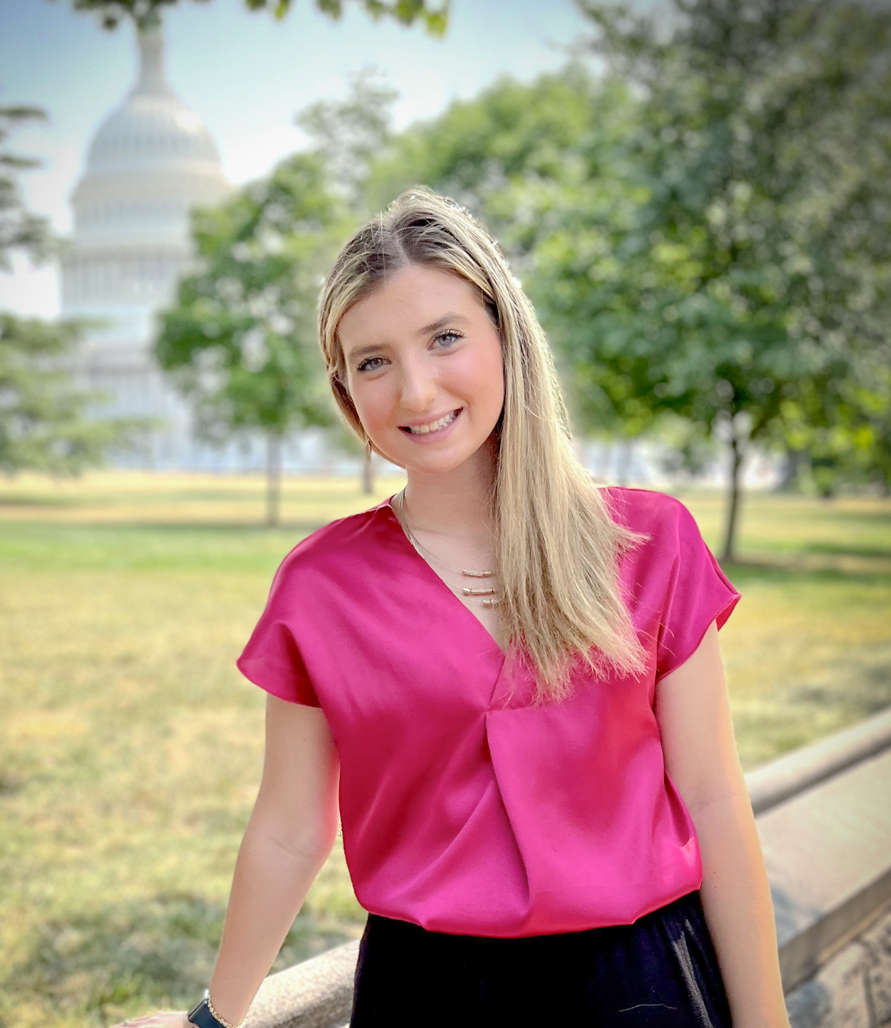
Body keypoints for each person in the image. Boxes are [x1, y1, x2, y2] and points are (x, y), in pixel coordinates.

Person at [112, 189, 790, 1028]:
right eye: (373, 361)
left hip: (640, 982)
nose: (415, 389)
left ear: (504, 335)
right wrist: (217, 1017)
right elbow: (289, 830)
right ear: (345, 390)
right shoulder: (320, 586)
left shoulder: (648, 542)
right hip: (425, 993)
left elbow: (714, 798)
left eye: (443, 338)